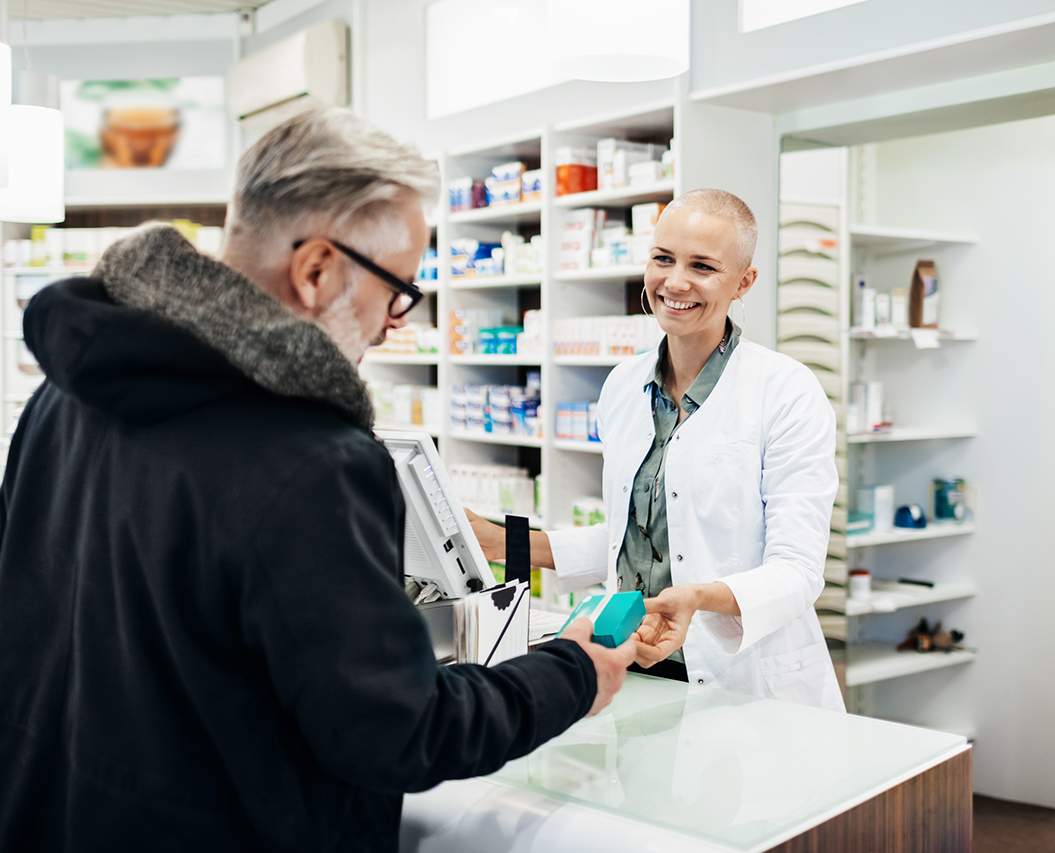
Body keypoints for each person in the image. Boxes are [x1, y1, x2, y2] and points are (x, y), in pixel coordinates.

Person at [0, 108, 633, 852]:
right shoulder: (306, 460)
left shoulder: (67, 391)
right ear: (317, 269)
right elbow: (398, 730)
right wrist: (571, 672)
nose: (396, 322)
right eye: (398, 288)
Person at [468, 189, 843, 712]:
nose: (676, 282)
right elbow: (631, 532)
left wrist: (697, 598)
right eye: (663, 259)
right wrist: (498, 542)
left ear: (744, 282)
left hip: (744, 677)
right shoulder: (623, 386)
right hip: (635, 661)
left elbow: (797, 572)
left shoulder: (786, 391)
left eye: (703, 266)